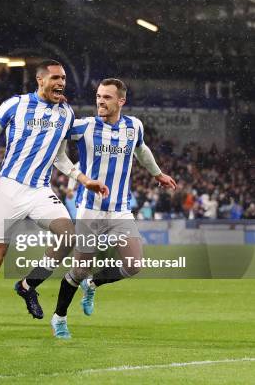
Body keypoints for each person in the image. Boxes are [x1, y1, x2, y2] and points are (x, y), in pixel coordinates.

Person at [0, 60, 108, 336]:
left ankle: (27, 285)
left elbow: (59, 156)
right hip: (8, 188)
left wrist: (84, 179)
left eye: (64, 78)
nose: (61, 83)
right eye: (56, 77)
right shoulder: (14, 105)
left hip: (40, 190)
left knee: (68, 236)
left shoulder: (65, 113)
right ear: (40, 80)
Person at [37, 78, 177, 338]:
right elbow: (57, 145)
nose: (100, 101)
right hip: (90, 209)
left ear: (121, 101)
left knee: (134, 265)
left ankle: (93, 283)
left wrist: (157, 174)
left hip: (119, 208)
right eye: (99, 96)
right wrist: (78, 175)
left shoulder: (134, 126)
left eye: (107, 97)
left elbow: (142, 150)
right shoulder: (84, 127)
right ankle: (59, 318)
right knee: (78, 270)